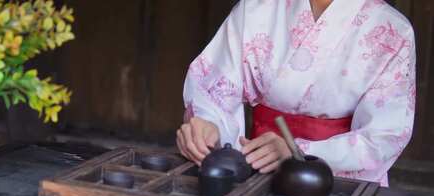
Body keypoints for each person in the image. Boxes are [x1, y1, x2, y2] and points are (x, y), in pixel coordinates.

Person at [176, 0, 416, 186]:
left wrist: (299, 152)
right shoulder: (257, 9)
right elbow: (213, 88)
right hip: (256, 166)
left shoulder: (393, 31)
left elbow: (384, 136)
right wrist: (209, 128)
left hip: (334, 181)